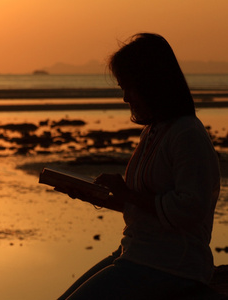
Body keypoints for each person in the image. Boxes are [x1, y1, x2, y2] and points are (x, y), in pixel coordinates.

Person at [57, 33, 221, 299]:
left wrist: (128, 194)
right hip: (137, 252)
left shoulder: (187, 134)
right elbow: (144, 206)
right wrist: (97, 197)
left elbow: (191, 208)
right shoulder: (154, 131)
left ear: (151, 84)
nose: (125, 98)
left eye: (128, 88)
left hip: (171, 265)